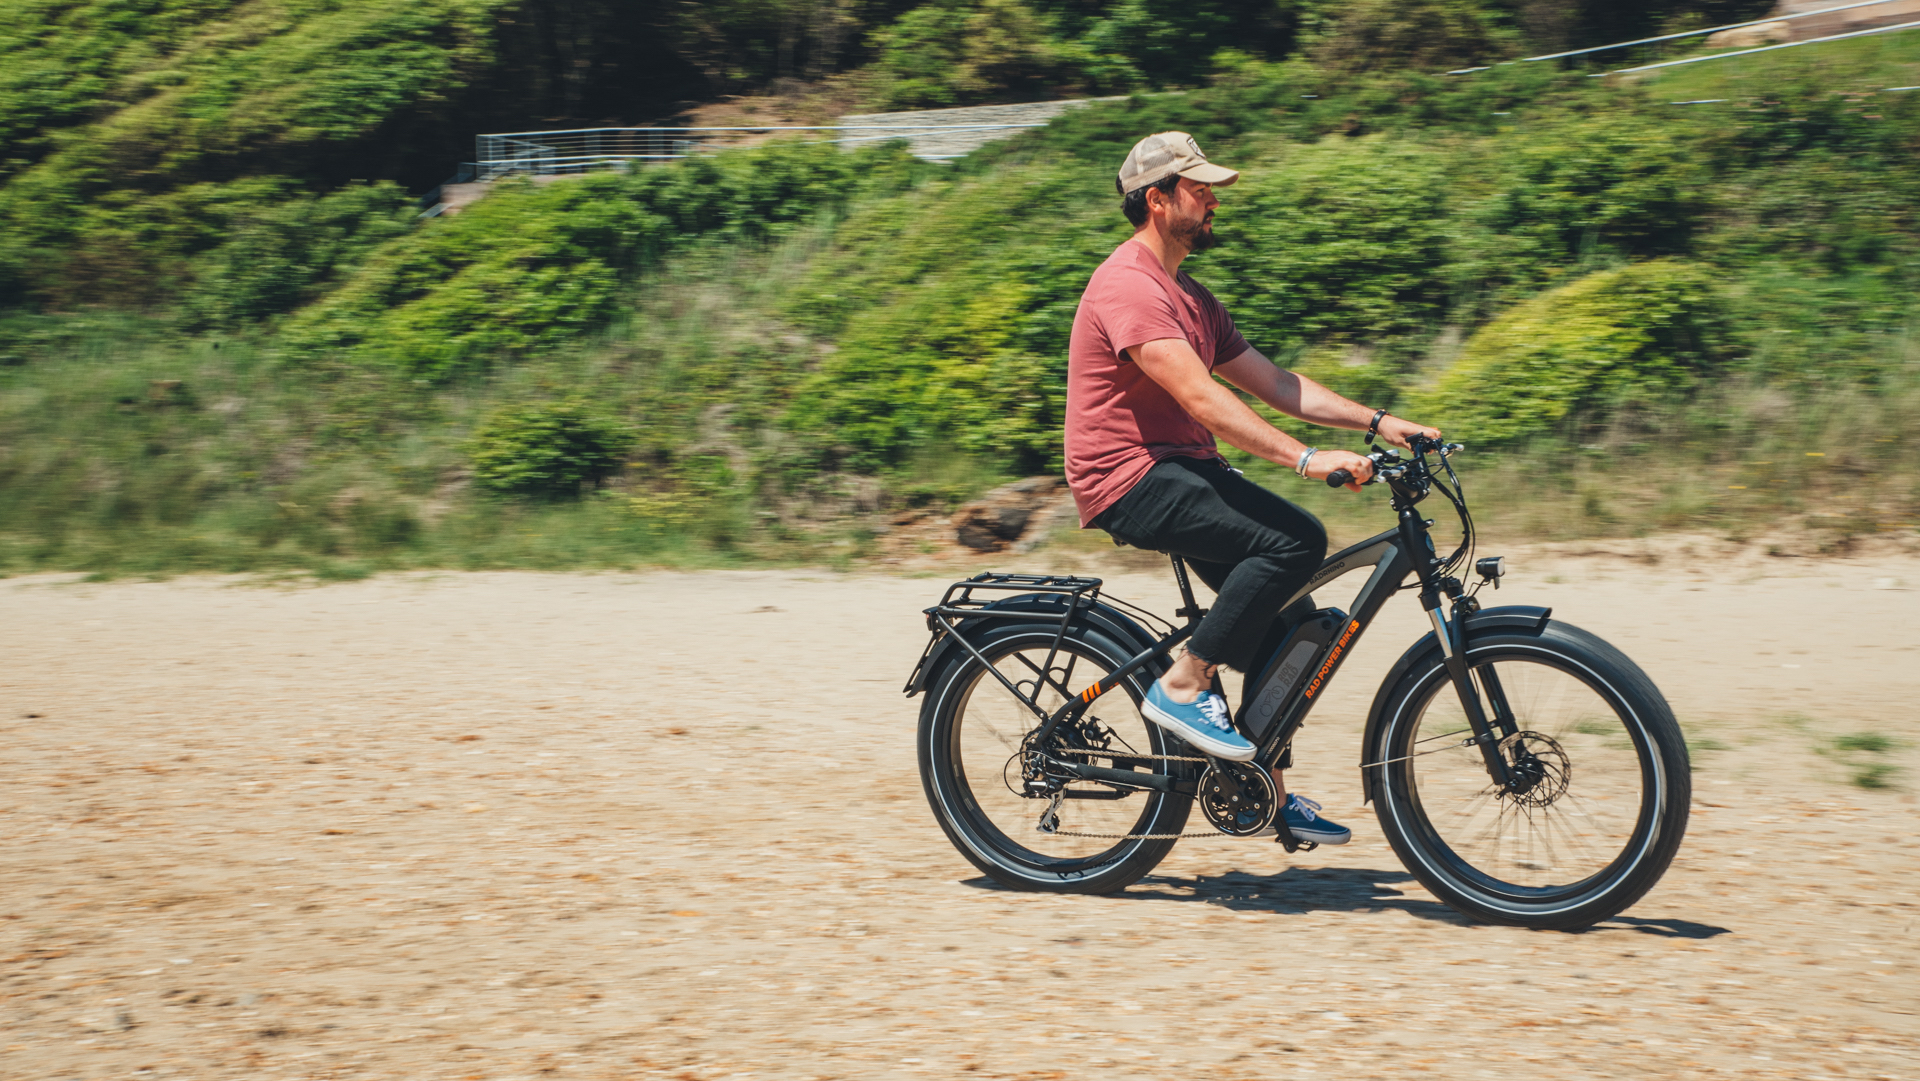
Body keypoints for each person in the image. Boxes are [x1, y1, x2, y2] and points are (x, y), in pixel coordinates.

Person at [1064, 132, 1442, 846]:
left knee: (1286, 627)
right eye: (1199, 188)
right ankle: (1185, 681)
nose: (1213, 200)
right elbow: (1201, 399)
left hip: (1183, 468)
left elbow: (1277, 385)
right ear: (1157, 199)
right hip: (1128, 475)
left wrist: (1382, 421)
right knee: (1295, 539)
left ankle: (1259, 785)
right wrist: (1304, 461)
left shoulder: (1194, 299)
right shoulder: (1128, 286)